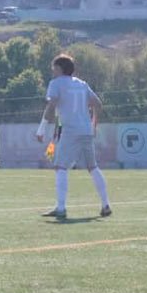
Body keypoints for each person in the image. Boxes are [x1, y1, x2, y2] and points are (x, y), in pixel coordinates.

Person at [34, 53, 111, 220]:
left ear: (60, 68)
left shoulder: (55, 83)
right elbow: (97, 104)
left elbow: (51, 105)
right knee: (93, 167)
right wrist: (93, 125)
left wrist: (41, 129)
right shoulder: (82, 84)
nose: (52, 71)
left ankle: (61, 208)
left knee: (60, 167)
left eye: (54, 67)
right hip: (86, 130)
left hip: (70, 131)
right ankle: (106, 205)